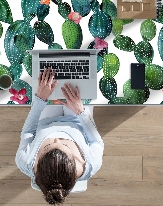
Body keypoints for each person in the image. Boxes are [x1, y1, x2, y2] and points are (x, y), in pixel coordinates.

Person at [15, 67, 104, 204]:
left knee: (46, 81)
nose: (56, 138)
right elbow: (96, 142)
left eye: (48, 146)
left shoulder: (25, 162)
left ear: (37, 164)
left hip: (45, 121)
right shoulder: (91, 164)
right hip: (77, 120)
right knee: (80, 75)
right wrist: (80, 111)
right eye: (64, 145)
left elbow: (28, 132)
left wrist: (40, 99)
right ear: (76, 162)